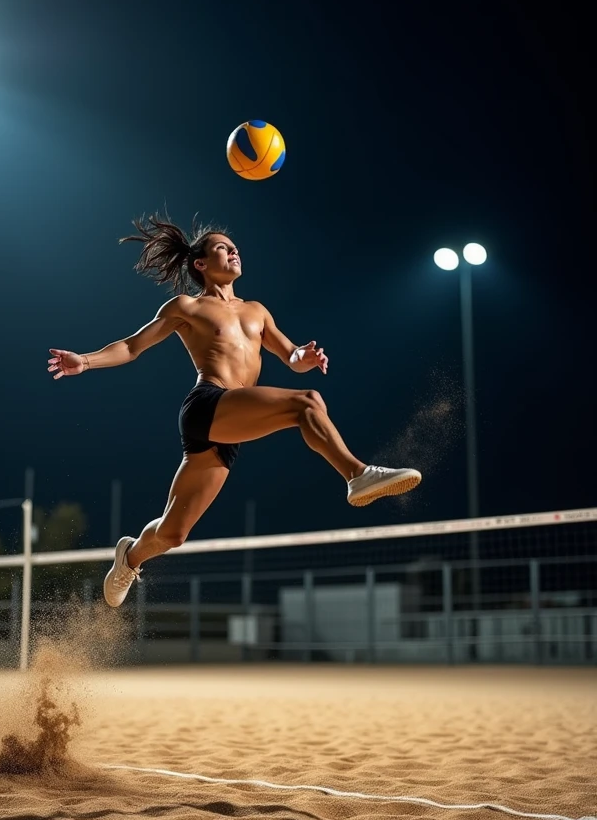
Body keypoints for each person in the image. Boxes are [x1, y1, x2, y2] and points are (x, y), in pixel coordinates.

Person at [48, 213, 421, 607]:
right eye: (223, 248)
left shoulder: (257, 311)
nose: (234, 251)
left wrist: (304, 356)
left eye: (235, 247)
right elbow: (131, 346)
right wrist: (85, 361)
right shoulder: (187, 307)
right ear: (201, 264)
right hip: (208, 404)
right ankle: (358, 474)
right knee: (307, 402)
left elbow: (288, 353)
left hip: (232, 422)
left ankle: (130, 556)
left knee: (174, 534)